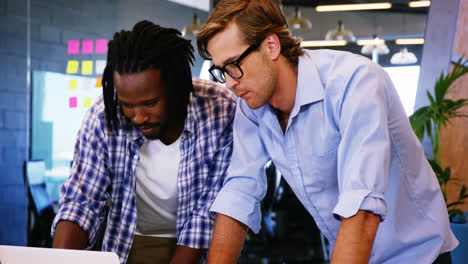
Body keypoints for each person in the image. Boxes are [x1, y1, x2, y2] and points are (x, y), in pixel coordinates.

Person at [196, 0, 458, 263]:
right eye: (221, 71)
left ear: (271, 46)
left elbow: (362, 205)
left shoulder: (354, 83)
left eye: (234, 65)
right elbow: (238, 194)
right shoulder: (252, 107)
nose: (229, 83)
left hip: (416, 257)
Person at [51, 20, 236, 264]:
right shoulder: (104, 114)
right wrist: (60, 260)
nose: (138, 117)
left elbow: (207, 213)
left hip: (197, 249)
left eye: (150, 103)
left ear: (176, 88)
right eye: (128, 104)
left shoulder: (220, 111)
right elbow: (82, 201)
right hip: (126, 245)